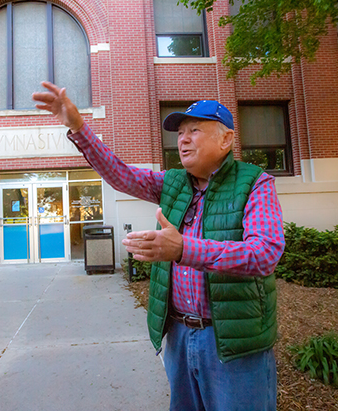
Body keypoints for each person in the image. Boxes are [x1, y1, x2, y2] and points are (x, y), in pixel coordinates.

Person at [33, 82, 285, 411]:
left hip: (234, 345)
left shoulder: (255, 183)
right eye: (180, 132)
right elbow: (121, 175)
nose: (182, 139)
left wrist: (184, 249)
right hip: (179, 335)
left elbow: (263, 254)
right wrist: (79, 128)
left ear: (225, 139)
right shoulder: (173, 182)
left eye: (195, 130)